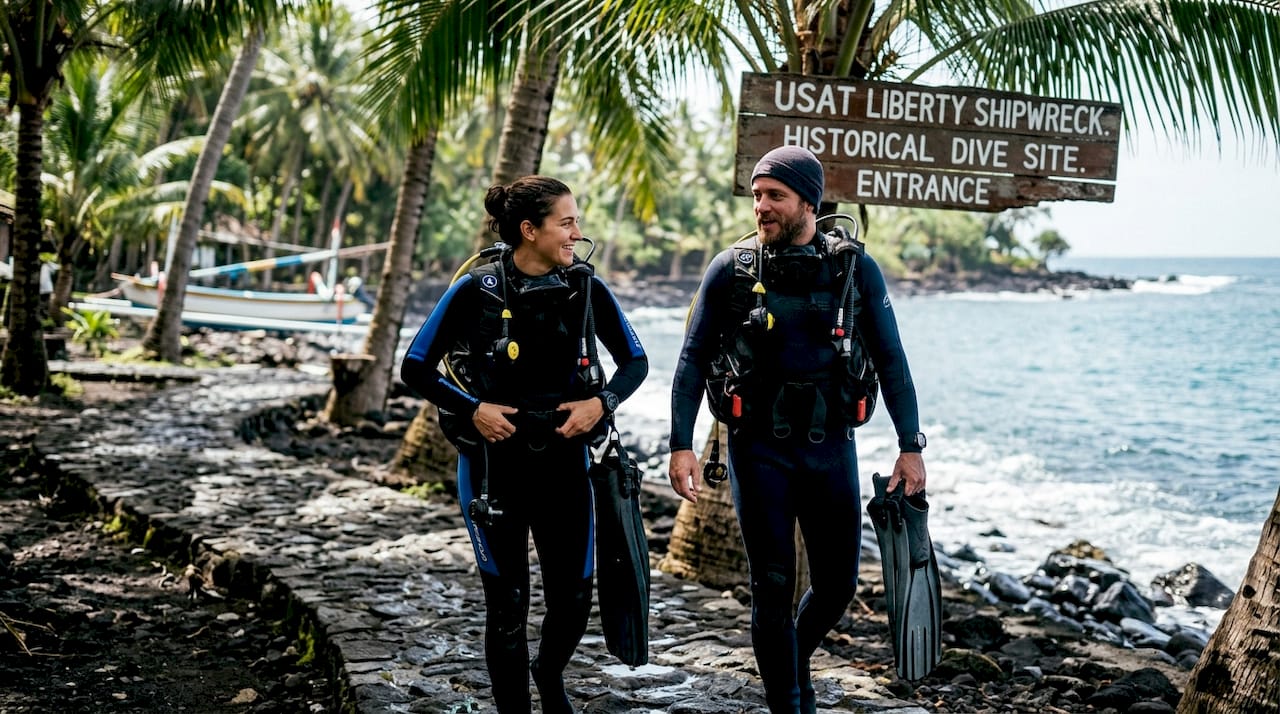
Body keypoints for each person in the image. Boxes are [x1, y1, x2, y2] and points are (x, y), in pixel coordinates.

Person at [667, 145, 928, 714]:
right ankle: (789, 700)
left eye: (774, 196)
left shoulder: (853, 268)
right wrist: (680, 443)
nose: (761, 206)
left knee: (837, 586)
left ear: (808, 201)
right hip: (758, 451)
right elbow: (690, 361)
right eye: (757, 195)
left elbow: (892, 359)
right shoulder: (730, 270)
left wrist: (911, 446)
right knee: (774, 585)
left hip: (831, 446)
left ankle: (789, 661)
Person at [400, 175, 648, 714]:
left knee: (574, 599)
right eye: (567, 222)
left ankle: (549, 672)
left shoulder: (585, 288)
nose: (577, 233)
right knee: (507, 604)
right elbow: (415, 367)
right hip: (493, 470)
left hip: (566, 469)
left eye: (576, 221)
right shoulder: (477, 291)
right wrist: (474, 410)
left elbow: (636, 361)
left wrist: (600, 403)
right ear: (529, 230)